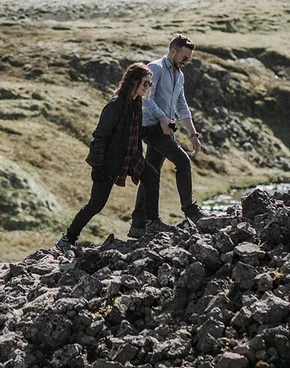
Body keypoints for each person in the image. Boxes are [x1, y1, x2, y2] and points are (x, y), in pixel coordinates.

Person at [56, 63, 162, 253]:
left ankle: (151, 222)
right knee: (96, 204)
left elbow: (135, 132)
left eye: (150, 84)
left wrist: (158, 129)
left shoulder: (136, 103)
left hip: (130, 156)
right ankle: (68, 239)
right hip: (109, 163)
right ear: (134, 82)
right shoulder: (116, 104)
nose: (148, 87)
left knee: (152, 177)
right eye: (145, 83)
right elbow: (100, 136)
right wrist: (98, 167)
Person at [129, 34, 208, 238]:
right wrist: (163, 118)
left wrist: (193, 134)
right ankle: (191, 211)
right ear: (173, 51)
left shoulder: (179, 75)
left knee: (151, 174)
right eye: (184, 57)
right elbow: (146, 99)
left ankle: (139, 224)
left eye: (189, 59)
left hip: (164, 128)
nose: (186, 62)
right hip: (151, 128)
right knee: (183, 161)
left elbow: (181, 105)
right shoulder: (155, 68)